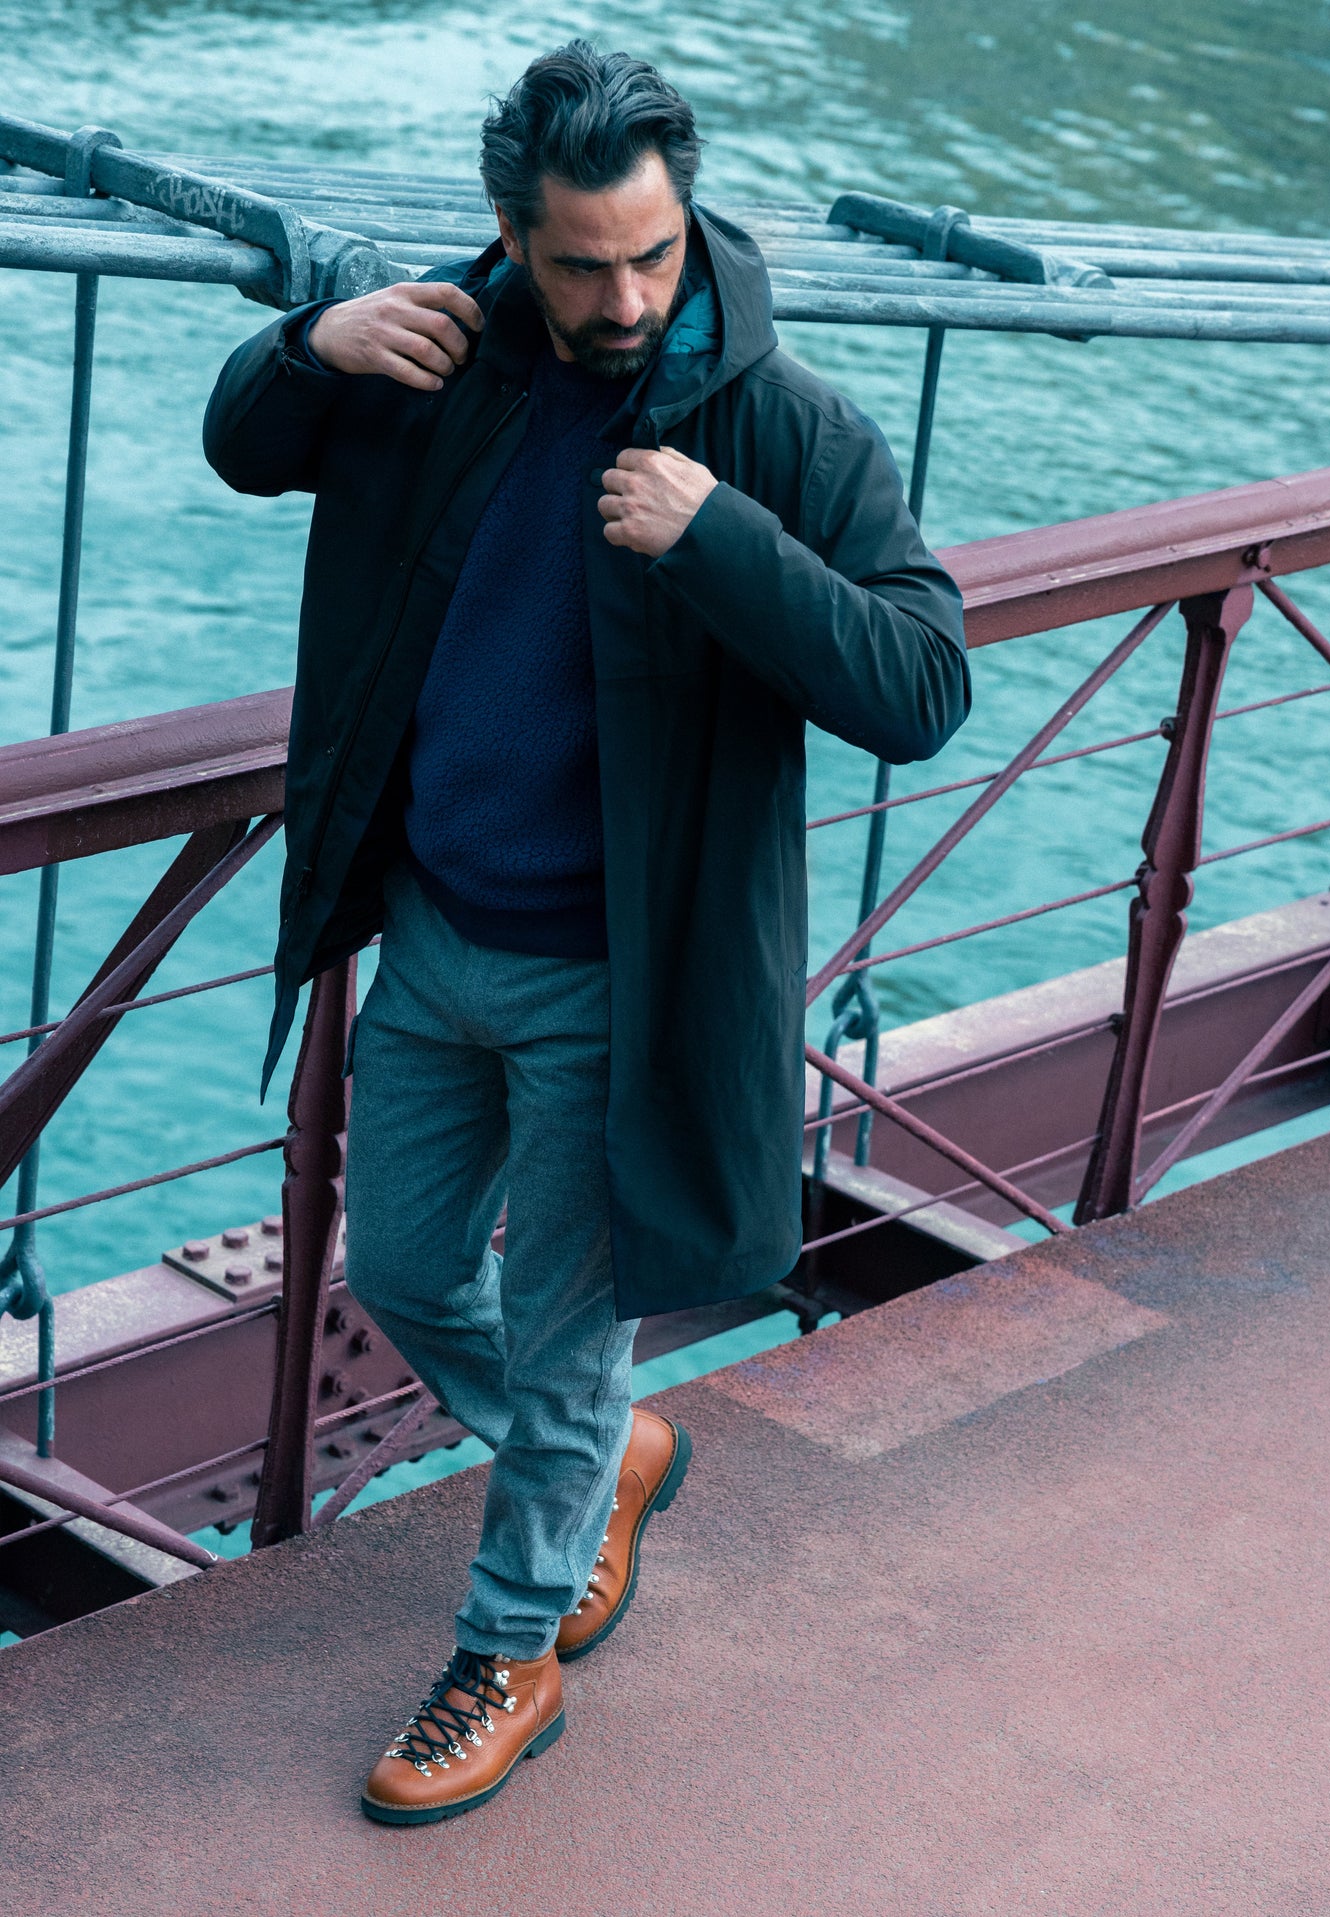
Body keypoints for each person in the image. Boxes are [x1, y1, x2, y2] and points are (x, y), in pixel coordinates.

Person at [204, 39, 969, 1825]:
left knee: (560, 1343)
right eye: (581, 265)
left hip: (619, 983)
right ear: (510, 237)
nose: (625, 300)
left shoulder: (780, 425)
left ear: (686, 220)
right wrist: (306, 346)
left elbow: (922, 684)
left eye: (653, 255)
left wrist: (721, 541)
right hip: (433, 934)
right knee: (402, 1271)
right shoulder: (438, 354)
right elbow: (248, 449)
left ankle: (511, 1647)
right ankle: (605, 1456)